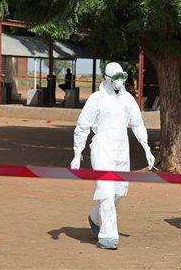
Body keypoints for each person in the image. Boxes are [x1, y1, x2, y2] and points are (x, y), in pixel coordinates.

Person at [69, 62, 155, 250]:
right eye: (115, 78)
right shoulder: (96, 99)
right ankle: (108, 236)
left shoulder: (128, 99)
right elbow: (82, 127)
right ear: (107, 79)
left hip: (122, 149)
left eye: (122, 77)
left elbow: (138, 124)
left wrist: (146, 147)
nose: (120, 81)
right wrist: (77, 153)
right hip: (102, 148)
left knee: (119, 190)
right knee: (106, 190)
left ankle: (94, 217)